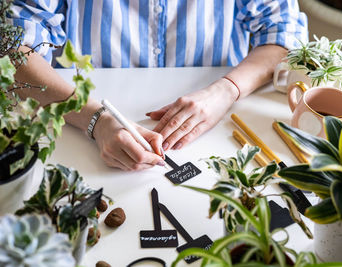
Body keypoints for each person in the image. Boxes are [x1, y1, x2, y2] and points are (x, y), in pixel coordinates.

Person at [10, 0, 308, 171]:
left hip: (222, 126)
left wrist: (226, 90)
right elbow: (12, 48)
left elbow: (285, 34)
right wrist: (94, 120)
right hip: (81, 133)